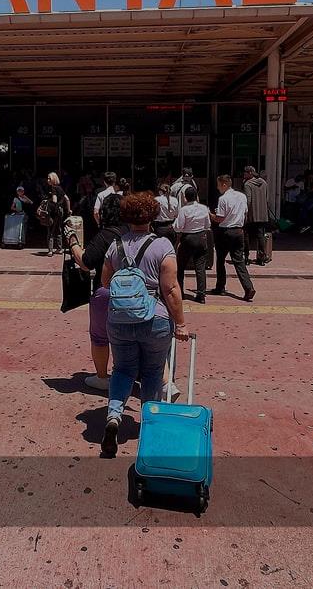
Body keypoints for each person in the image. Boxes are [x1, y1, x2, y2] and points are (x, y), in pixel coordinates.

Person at [96, 192, 189, 458]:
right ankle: (149, 424)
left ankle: (113, 417)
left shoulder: (115, 246)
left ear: (126, 217)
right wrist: (180, 323)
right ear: (152, 216)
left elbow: (105, 282)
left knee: (122, 370)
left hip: (119, 320)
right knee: (152, 372)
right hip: (155, 319)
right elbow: (171, 289)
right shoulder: (162, 245)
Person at [67, 193, 126, 391]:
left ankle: (102, 377)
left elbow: (86, 262)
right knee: (133, 337)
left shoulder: (105, 236)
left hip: (106, 291)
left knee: (100, 337)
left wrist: (72, 241)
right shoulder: (135, 234)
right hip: (136, 293)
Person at [210, 174, 256, 302]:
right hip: (239, 231)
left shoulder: (223, 199)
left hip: (225, 231)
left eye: (219, 185)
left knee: (220, 259)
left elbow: (219, 218)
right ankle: (248, 287)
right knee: (239, 261)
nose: (218, 188)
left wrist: (210, 215)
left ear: (224, 184)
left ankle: (220, 286)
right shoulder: (242, 196)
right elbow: (245, 213)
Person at [173, 186, 211, 304]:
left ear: (185, 198)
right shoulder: (204, 208)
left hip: (188, 238)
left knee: (180, 266)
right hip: (201, 237)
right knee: (200, 267)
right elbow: (207, 225)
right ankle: (201, 294)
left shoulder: (184, 210)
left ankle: (180, 292)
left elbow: (179, 227)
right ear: (196, 196)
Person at [242, 166, 270, 264]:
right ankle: (261, 258)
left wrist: (245, 213)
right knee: (260, 236)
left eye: (245, 172)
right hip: (262, 215)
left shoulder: (247, 184)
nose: (243, 174)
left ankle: (246, 258)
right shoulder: (264, 183)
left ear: (250, 173)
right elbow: (267, 199)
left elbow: (248, 200)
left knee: (247, 236)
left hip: (251, 215)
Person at [43, 172, 72, 256]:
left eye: (49, 178)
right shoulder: (60, 188)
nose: (48, 180)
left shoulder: (54, 189)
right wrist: (69, 210)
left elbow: (54, 201)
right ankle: (59, 249)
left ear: (53, 179)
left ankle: (50, 250)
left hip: (53, 211)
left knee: (50, 230)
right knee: (58, 229)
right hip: (60, 211)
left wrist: (47, 201)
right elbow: (67, 199)